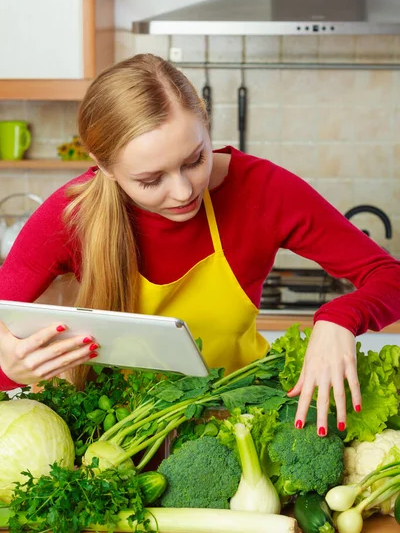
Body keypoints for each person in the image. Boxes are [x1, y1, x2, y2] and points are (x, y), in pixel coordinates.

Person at [1, 54, 400, 436]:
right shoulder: (70, 215)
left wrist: (339, 318)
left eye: (195, 160)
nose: (182, 191)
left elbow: (389, 277)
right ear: (104, 166)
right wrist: (11, 365)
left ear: (207, 129)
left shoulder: (261, 189)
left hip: (240, 427)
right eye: (151, 179)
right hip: (115, 440)